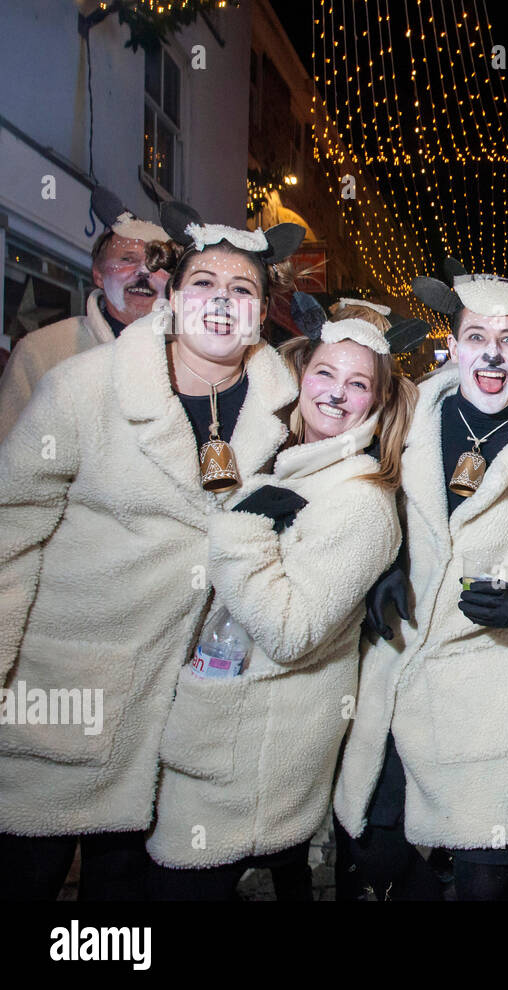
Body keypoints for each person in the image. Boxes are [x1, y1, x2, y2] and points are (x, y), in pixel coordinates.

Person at [0, 199, 304, 900]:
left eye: (243, 290)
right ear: (172, 296)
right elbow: (11, 532)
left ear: (261, 313)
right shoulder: (84, 387)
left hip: (181, 719)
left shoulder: (284, 416)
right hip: (63, 699)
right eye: (204, 284)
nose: (222, 302)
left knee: (124, 916)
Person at [334, 260, 508, 901]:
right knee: (374, 847)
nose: (492, 354)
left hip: (489, 689)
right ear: (455, 346)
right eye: (478, 338)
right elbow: (341, 494)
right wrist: (388, 567)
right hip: (396, 666)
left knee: (486, 878)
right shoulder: (401, 422)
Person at [145, 297, 419, 900]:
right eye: (324, 373)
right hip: (229, 728)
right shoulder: (293, 466)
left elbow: (291, 633)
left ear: (377, 399)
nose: (335, 393)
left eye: (357, 384)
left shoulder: (361, 501)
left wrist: (239, 529)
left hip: (256, 745)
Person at [0, 186, 172, 440]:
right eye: (127, 259)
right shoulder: (41, 352)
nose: (143, 272)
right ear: (98, 275)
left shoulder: (190, 358)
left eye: (156, 264)